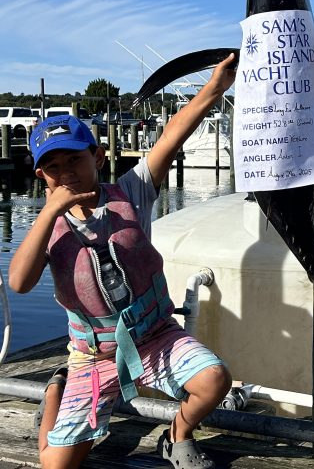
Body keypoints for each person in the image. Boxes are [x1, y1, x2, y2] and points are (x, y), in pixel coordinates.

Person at [9, 53, 238, 469]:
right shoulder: (47, 226)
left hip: (154, 337)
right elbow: (20, 283)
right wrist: (48, 213)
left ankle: (176, 435)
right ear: (40, 175)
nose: (67, 173)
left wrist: (215, 88)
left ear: (96, 158)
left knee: (213, 378)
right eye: (53, 167)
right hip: (92, 356)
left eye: (75, 160)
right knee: (57, 466)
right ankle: (55, 396)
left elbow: (171, 136)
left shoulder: (132, 192)